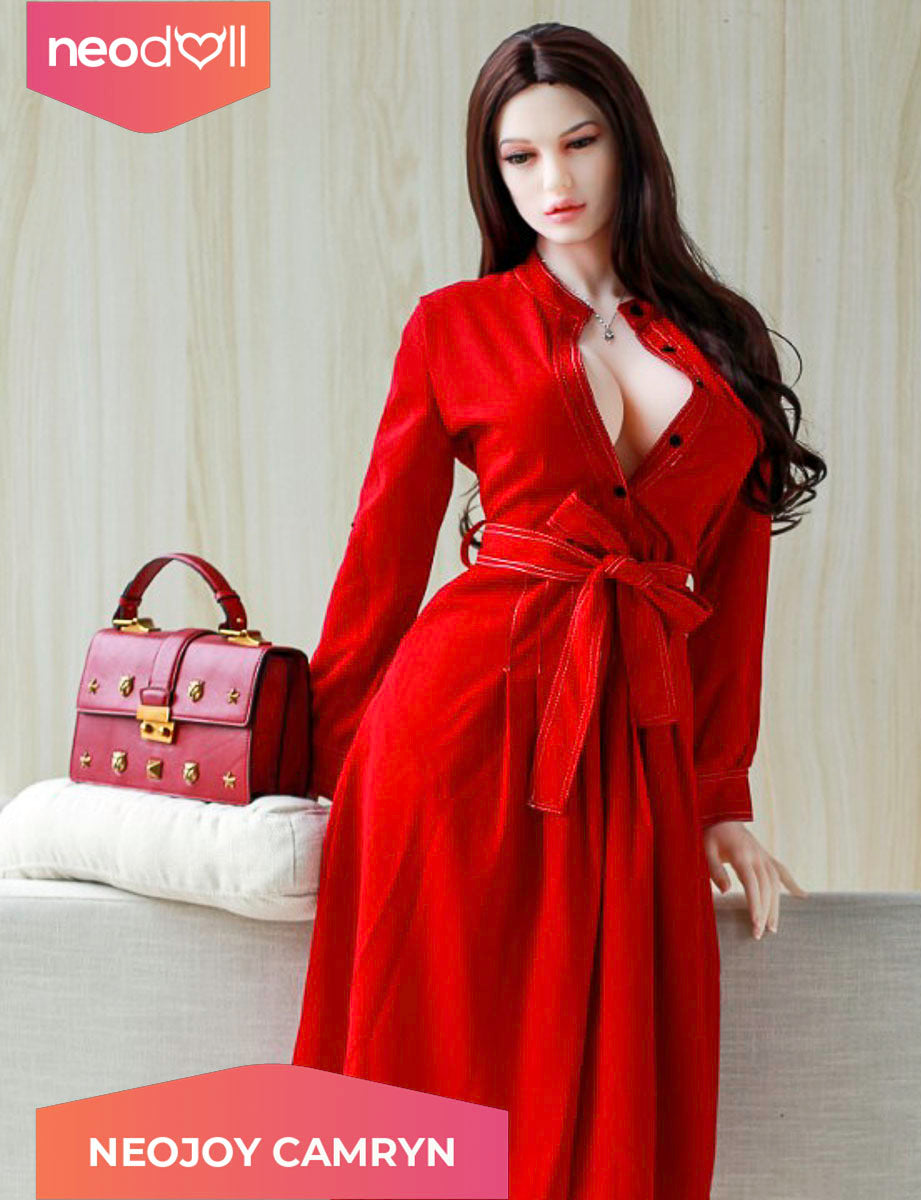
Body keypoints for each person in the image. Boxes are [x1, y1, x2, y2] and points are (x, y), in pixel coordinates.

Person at [291, 20, 826, 1199]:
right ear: (493, 174)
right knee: (440, 1057)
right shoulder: (454, 326)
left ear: (628, 145)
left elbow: (733, 591)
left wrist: (721, 796)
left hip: (634, 737)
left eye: (578, 143)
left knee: (618, 1072)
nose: (554, 180)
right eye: (519, 157)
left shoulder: (722, 339)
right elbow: (380, 561)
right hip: (454, 736)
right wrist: (323, 767)